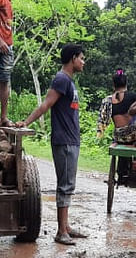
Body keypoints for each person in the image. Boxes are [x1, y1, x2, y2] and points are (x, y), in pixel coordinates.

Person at [19, 44, 87, 246]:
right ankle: (60, 232)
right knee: (65, 186)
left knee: (69, 184)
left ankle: (66, 227)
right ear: (73, 58)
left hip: (71, 140)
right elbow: (46, 104)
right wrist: (26, 122)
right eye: (81, 58)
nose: (83, 62)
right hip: (64, 141)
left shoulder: (69, 81)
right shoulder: (61, 79)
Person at [97, 70, 136, 145]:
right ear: (126, 83)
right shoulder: (133, 97)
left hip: (119, 138)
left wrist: (99, 137)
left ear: (113, 85)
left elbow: (102, 121)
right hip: (135, 136)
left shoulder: (107, 101)